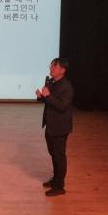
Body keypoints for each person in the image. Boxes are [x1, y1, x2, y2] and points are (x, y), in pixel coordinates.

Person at [36, 57, 74, 197]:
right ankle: (55, 179)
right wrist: (41, 97)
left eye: (54, 66)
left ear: (62, 70)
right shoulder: (52, 82)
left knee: (59, 156)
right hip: (51, 125)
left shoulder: (67, 87)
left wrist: (48, 96)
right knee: (53, 154)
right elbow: (50, 100)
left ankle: (59, 186)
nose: (51, 69)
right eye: (51, 66)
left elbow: (62, 106)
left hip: (60, 127)